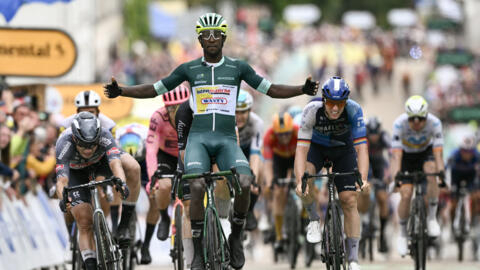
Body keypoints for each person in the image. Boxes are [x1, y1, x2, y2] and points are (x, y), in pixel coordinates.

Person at [104, 12, 318, 270]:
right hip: (199, 140)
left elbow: (270, 89)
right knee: (195, 187)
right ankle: (196, 250)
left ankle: (236, 236)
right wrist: (122, 91)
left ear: (224, 38)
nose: (212, 38)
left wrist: (301, 89)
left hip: (227, 139)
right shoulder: (189, 69)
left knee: (245, 181)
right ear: (200, 39)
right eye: (207, 35)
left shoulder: (239, 68)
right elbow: (155, 88)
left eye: (217, 34)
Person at [295, 76, 369, 270]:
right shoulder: (312, 110)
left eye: (340, 103)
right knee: (306, 180)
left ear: (346, 102)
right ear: (323, 100)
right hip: (316, 150)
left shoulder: (354, 109)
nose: (335, 108)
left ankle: (353, 258)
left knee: (349, 199)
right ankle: (312, 218)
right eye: (330, 103)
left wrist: (363, 178)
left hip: (344, 150)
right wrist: (299, 181)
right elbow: (301, 150)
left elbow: (362, 148)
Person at [55, 112, 131, 270]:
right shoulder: (64, 143)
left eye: (92, 144)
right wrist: (63, 198)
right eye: (83, 145)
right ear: (75, 138)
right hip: (76, 173)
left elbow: (116, 164)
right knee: (84, 220)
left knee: (125, 169)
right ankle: (90, 264)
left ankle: (108, 233)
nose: (88, 149)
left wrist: (122, 183)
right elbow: (62, 181)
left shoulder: (105, 135)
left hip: (100, 166)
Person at [61, 90, 141, 237]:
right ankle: (71, 239)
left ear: (98, 111)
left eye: (91, 112)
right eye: (83, 112)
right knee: (65, 197)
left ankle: (118, 225)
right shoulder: (65, 125)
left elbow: (113, 155)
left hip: (101, 160)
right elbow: (61, 157)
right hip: (76, 164)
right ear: (76, 112)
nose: (87, 116)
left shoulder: (109, 125)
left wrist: (117, 181)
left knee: (128, 169)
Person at [390, 95, 445, 257]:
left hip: (425, 154)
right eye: (412, 119)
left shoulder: (435, 123)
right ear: (407, 116)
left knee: (431, 169)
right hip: (405, 157)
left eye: (420, 118)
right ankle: (402, 233)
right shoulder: (399, 124)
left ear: (426, 116)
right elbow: (396, 156)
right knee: (406, 194)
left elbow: (438, 154)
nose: (416, 122)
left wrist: (440, 173)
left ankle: (432, 218)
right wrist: (396, 177)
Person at [143, 84, 190, 263]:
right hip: (165, 155)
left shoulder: (195, 114)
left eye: (180, 107)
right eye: (171, 108)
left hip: (188, 153)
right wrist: (153, 176)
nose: (176, 112)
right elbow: (150, 149)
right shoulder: (158, 117)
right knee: (163, 185)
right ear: (165, 107)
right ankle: (164, 217)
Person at [263, 112, 298, 251]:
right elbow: (267, 163)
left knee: (305, 184)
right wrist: (270, 181)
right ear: (275, 133)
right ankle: (279, 235)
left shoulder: (298, 131)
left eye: (287, 134)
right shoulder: (269, 136)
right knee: (278, 192)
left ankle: (304, 216)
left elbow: (306, 156)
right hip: (279, 161)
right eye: (280, 135)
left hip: (296, 157)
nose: (284, 138)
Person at [235, 89, 264, 230]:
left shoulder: (257, 123)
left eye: (243, 112)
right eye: (236, 112)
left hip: (248, 153)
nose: (239, 116)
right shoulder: (226, 121)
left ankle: (250, 209)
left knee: (258, 172)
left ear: (250, 111)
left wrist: (254, 178)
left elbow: (255, 153)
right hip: (231, 151)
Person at [447, 134, 480, 242]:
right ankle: (453, 225)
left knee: (476, 197)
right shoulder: (454, 155)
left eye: (469, 152)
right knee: (453, 205)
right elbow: (446, 169)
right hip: (456, 178)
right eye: (464, 151)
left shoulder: (477, 156)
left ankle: (473, 219)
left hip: (471, 178)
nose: (466, 155)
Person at [365, 116, 391, 253]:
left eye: (376, 133)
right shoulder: (362, 135)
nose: (374, 136)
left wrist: (390, 174)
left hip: (380, 167)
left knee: (383, 198)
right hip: (366, 165)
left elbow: (392, 151)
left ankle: (382, 233)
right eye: (371, 133)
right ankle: (364, 219)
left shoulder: (384, 136)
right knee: (364, 191)